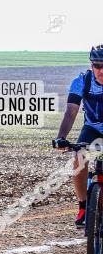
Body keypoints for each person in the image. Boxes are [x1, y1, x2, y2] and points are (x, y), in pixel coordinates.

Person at [53, 45, 103, 226]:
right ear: (91, 65)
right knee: (79, 156)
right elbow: (71, 112)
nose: (101, 70)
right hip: (93, 129)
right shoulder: (82, 81)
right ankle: (83, 205)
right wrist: (61, 137)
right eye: (97, 66)